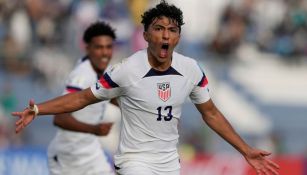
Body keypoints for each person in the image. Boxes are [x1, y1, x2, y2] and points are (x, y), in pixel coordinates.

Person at [12, 1, 279, 175]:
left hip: (169, 164)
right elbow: (82, 98)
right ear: (146, 34)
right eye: (159, 28)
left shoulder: (191, 69)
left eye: (172, 30)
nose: (165, 35)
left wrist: (245, 149)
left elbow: (210, 113)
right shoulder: (126, 70)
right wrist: (38, 109)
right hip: (133, 161)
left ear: (178, 37)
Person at [47, 21, 116, 175]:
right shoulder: (82, 75)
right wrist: (94, 129)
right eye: (99, 47)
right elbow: (60, 118)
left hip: (90, 152)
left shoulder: (103, 71)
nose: (104, 53)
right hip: (69, 155)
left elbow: (106, 95)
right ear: (88, 48)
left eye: (108, 47)